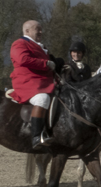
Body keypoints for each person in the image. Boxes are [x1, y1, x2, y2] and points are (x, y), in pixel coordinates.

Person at [10, 20, 62, 151]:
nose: (40, 32)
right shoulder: (19, 43)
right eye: (37, 29)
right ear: (27, 31)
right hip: (27, 82)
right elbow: (22, 59)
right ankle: (36, 137)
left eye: (40, 29)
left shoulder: (39, 46)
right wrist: (45, 63)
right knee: (42, 99)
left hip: (43, 81)